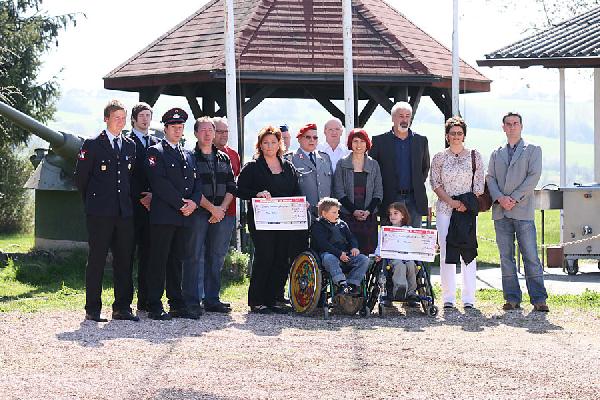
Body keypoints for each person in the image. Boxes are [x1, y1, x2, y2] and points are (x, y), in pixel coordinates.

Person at [74, 99, 138, 322]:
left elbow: (130, 178)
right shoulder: (92, 144)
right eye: (116, 118)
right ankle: (93, 309)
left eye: (123, 118)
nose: (120, 122)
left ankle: (122, 307)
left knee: (124, 260)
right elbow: (81, 179)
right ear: (106, 119)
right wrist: (94, 202)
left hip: (124, 213)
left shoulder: (129, 145)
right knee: (97, 260)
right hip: (100, 213)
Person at [487, 112, 549, 312]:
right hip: (501, 212)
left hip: (522, 210)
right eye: (508, 124)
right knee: (506, 258)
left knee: (531, 256)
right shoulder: (496, 153)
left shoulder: (533, 150)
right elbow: (490, 178)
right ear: (503, 127)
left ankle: (539, 299)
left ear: (521, 126)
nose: (512, 126)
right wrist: (500, 198)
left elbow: (533, 177)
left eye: (515, 123)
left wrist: (513, 198)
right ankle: (512, 298)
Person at [145, 108, 203, 320]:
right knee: (159, 260)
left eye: (181, 127)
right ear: (166, 129)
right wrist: (181, 204)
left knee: (177, 260)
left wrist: (193, 203)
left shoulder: (188, 154)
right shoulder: (156, 152)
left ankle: (176, 303)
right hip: (165, 215)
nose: (178, 131)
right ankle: (154, 304)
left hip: (184, 216)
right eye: (174, 127)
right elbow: (159, 183)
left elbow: (197, 182)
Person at [237, 126, 301, 314]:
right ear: (260, 145)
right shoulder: (252, 167)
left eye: (273, 142)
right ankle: (257, 300)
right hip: (261, 221)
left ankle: (274, 298)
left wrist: (301, 203)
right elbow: (239, 189)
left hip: (285, 220)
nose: (269, 146)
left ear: (279, 144)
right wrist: (256, 194)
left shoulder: (288, 166)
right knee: (265, 256)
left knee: (281, 257)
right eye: (265, 142)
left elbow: (296, 190)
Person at [182, 117, 236, 315]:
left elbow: (231, 186)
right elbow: (191, 189)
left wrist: (221, 209)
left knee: (215, 257)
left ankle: (212, 299)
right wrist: (212, 208)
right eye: (203, 130)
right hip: (197, 213)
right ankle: (192, 300)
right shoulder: (189, 158)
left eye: (210, 130)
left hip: (219, 213)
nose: (207, 134)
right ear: (196, 133)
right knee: (193, 256)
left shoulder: (223, 158)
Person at [430, 116, 484, 310]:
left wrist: (464, 204)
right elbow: (435, 183)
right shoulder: (439, 157)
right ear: (447, 136)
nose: (456, 136)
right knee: (447, 251)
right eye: (452, 133)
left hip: (466, 210)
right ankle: (448, 297)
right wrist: (451, 202)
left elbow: (479, 184)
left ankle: (469, 298)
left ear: (464, 136)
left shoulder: (474, 156)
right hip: (445, 209)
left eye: (459, 133)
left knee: (468, 251)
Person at [370, 102, 430, 228]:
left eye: (408, 116)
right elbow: (373, 170)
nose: (404, 120)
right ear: (393, 118)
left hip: (414, 200)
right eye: (401, 116)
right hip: (390, 199)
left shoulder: (421, 141)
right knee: (390, 238)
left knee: (414, 237)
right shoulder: (379, 141)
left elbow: (425, 168)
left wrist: (416, 184)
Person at [128, 102, 159, 312]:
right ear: (134, 119)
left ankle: (145, 299)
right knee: (128, 254)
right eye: (141, 116)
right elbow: (126, 175)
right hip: (133, 206)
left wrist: (153, 195)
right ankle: (125, 301)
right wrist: (141, 196)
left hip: (153, 206)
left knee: (149, 254)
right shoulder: (127, 142)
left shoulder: (156, 143)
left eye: (148, 115)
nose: (145, 119)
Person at [332, 128, 383, 255]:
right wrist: (353, 210)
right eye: (355, 141)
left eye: (362, 141)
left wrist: (368, 211)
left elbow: (378, 191)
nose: (359, 145)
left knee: (368, 253)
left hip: (369, 217)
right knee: (349, 251)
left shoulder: (374, 164)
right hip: (347, 216)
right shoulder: (342, 164)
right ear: (350, 143)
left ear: (367, 143)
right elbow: (338, 190)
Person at [310, 197, 370, 296]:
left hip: (346, 254)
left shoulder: (342, 224)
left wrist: (354, 247)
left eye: (338, 212)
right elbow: (323, 244)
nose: (337, 215)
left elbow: (351, 237)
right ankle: (341, 283)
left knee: (364, 259)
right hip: (328, 253)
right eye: (334, 212)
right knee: (329, 258)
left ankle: (352, 284)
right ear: (324, 213)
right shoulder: (318, 226)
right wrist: (339, 254)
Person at [374, 202, 419, 307]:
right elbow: (380, 246)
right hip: (392, 259)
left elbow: (418, 244)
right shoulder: (385, 230)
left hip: (408, 258)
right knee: (399, 265)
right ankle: (400, 288)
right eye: (390, 214)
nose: (392, 216)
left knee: (411, 265)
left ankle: (411, 292)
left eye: (395, 213)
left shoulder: (409, 229)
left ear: (403, 215)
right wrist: (378, 254)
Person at [288, 123, 333, 221]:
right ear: (299, 139)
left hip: (325, 214)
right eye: (308, 137)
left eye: (315, 137)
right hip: (302, 214)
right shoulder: (290, 159)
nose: (312, 140)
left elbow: (332, 186)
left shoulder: (325, 158)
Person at [213, 116, 241, 247]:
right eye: (220, 131)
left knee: (220, 252)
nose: (224, 135)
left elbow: (235, 181)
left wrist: (223, 208)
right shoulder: (199, 154)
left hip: (228, 212)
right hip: (204, 212)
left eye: (226, 131)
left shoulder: (234, 155)